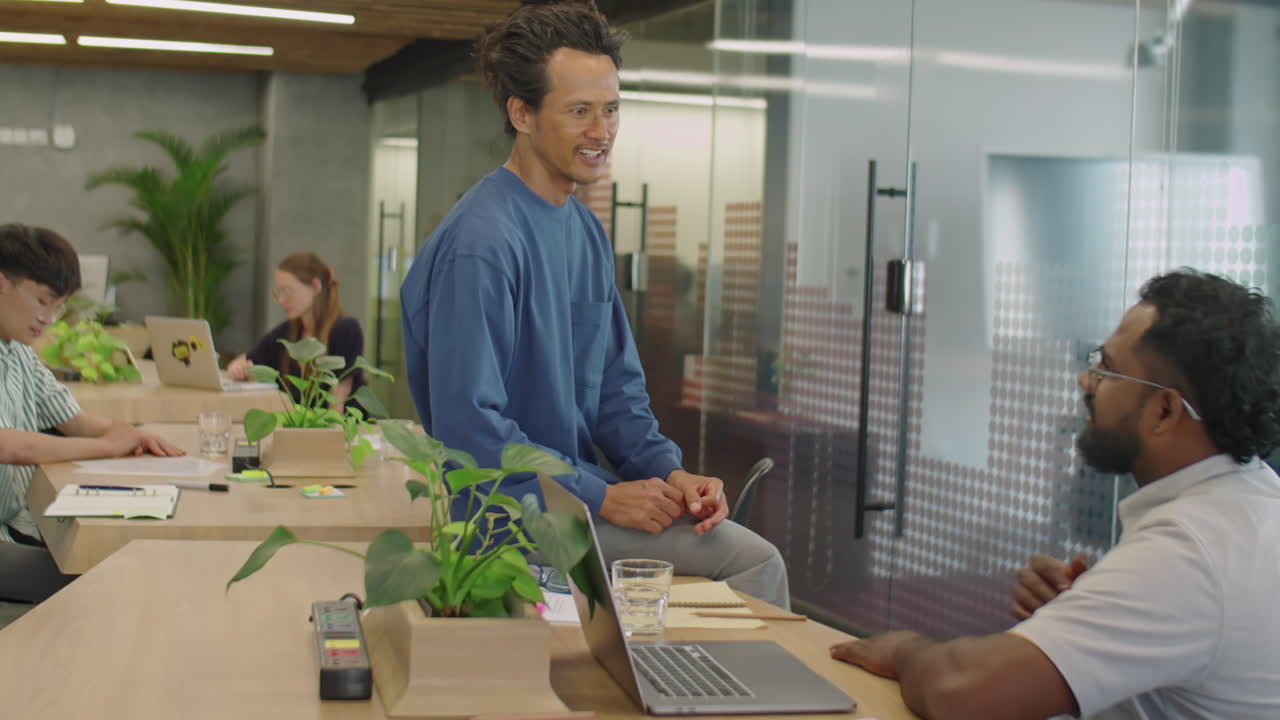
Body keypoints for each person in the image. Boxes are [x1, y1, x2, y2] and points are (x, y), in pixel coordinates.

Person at [399, 0, 789, 608]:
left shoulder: (582, 231)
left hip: (582, 504)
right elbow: (470, 427)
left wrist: (670, 475)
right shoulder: (482, 244)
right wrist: (602, 496)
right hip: (515, 519)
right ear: (521, 113)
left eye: (610, 110)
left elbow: (617, 395)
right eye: (579, 111)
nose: (601, 132)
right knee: (754, 563)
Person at [830, 269, 1280, 719]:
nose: (1086, 381)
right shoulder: (1252, 504)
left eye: (1107, 368)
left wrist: (905, 650)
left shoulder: (1189, 552)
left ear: (1164, 411)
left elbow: (960, 693)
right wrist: (1086, 609)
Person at [0, 223, 184, 602]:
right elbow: (11, 446)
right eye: (43, 301)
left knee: (128, 557)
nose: (50, 318)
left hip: (21, 521)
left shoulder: (17, 348)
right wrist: (107, 446)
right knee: (110, 576)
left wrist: (130, 434)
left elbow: (73, 420)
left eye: (60, 305)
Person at [227, 251, 365, 409]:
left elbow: (337, 404)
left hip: (338, 431)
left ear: (316, 286)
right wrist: (238, 369)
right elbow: (244, 361)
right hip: (297, 431)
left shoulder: (346, 330)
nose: (280, 300)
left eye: (287, 291)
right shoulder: (286, 333)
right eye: (277, 293)